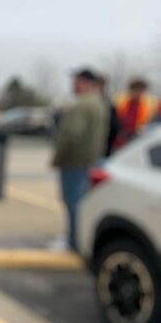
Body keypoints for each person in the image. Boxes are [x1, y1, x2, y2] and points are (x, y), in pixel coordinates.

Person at [51, 68, 108, 251]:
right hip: (90, 159)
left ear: (84, 82)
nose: (73, 85)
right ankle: (76, 239)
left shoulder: (82, 105)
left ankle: (73, 241)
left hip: (75, 162)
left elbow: (72, 135)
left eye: (76, 81)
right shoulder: (98, 102)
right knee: (81, 201)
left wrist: (59, 157)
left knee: (73, 202)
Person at [113, 77, 158, 151]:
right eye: (136, 90)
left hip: (136, 138)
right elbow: (115, 118)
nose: (138, 93)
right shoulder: (120, 100)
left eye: (141, 90)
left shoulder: (148, 105)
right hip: (119, 137)